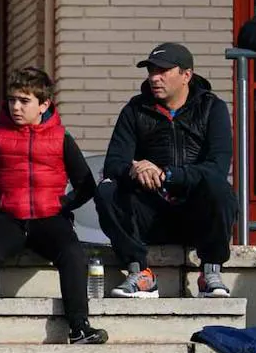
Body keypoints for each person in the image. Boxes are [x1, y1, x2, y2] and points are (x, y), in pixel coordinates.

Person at [0, 67, 106, 345]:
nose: (15, 106)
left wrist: (63, 204)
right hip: (7, 218)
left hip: (50, 218)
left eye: (24, 101)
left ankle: (79, 328)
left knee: (73, 253)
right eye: (12, 100)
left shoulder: (61, 138)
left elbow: (86, 184)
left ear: (44, 105)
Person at [95, 42, 236, 298]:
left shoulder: (211, 108)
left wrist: (167, 174)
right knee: (107, 190)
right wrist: (135, 169)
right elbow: (114, 164)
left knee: (219, 187)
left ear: (186, 75)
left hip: (196, 216)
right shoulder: (135, 109)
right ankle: (141, 272)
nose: (154, 78)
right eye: (151, 71)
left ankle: (210, 271)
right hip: (151, 214)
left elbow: (217, 167)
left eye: (163, 71)